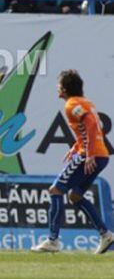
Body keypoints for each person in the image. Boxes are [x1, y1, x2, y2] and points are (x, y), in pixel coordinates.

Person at [31, 70, 114, 254]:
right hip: (101, 156)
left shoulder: (71, 104)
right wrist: (77, 146)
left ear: (65, 89)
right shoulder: (86, 102)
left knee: (56, 190)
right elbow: (92, 127)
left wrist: (88, 153)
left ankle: (53, 241)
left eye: (59, 85)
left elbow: (90, 123)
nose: (57, 88)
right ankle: (106, 235)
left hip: (90, 156)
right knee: (75, 196)